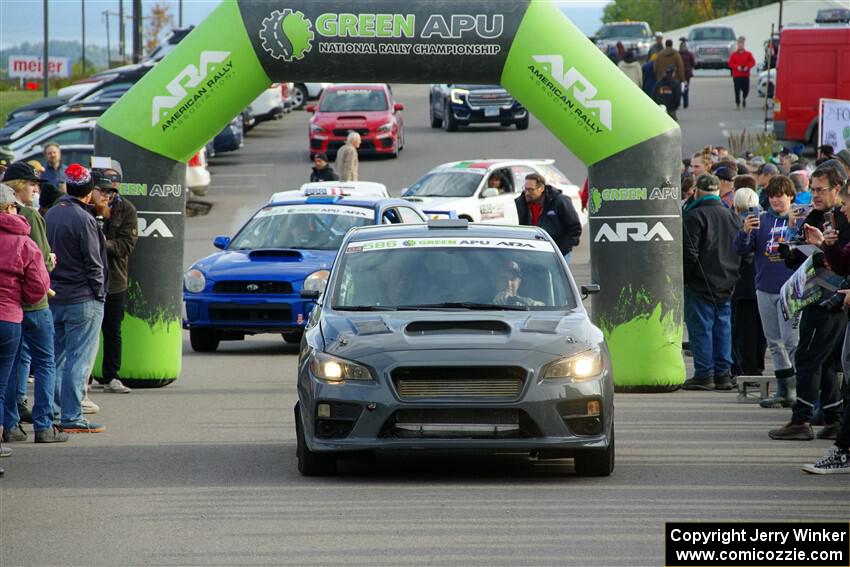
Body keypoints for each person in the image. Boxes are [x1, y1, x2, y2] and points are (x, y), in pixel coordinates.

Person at [769, 165, 850, 440]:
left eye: (820, 190)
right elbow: (803, 258)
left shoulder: (844, 218)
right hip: (813, 295)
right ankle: (833, 418)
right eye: (812, 189)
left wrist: (821, 249)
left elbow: (840, 261)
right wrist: (792, 252)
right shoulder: (813, 215)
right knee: (824, 360)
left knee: (807, 358)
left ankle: (801, 420)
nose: (814, 195)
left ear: (837, 189)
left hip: (832, 299)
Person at [1, 163, 67, 444]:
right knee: (45, 363)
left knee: (13, 366)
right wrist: (49, 262)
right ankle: (44, 424)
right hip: (34, 303)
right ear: (16, 188)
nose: (36, 189)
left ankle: (12, 425)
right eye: (31, 184)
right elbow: (38, 264)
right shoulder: (29, 219)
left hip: (10, 307)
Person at [45, 164, 107, 434]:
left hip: (56, 296)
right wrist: (100, 293)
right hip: (83, 297)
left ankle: (55, 411)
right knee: (78, 361)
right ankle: (71, 416)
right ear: (89, 191)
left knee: (55, 360)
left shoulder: (52, 215)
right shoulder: (85, 219)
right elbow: (94, 263)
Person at [735, 177, 800, 408]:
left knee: (792, 341)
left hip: (791, 290)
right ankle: (785, 391)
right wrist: (744, 232)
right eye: (771, 196)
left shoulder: (799, 218)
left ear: (790, 196)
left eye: (779, 195)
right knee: (774, 342)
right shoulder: (762, 220)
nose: (775, 200)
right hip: (764, 288)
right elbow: (741, 249)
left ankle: (801, 391)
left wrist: (795, 227)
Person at [0, 183, 52, 474]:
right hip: (9, 317)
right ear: (10, 208)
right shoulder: (24, 242)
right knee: (3, 383)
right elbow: (38, 286)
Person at [802, 180, 850, 473]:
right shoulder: (823, 221)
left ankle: (840, 447)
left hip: (832, 304)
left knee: (814, 359)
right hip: (834, 299)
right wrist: (823, 245)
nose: (843, 209)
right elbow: (843, 265)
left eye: (846, 203)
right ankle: (840, 440)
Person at [681, 174, 742, 390]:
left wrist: (686, 279)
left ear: (697, 191)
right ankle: (723, 374)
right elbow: (740, 248)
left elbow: (690, 253)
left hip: (701, 282)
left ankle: (705, 374)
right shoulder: (732, 215)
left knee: (702, 329)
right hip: (727, 280)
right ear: (718, 192)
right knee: (723, 327)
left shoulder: (694, 216)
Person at [92, 164, 136, 394]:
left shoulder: (127, 209)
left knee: (112, 329)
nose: (109, 193)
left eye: (113, 187)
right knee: (86, 331)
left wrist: (98, 243)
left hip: (115, 280)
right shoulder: (87, 207)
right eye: (105, 188)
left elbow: (125, 246)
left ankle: (111, 375)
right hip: (89, 280)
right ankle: (85, 377)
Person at [729, 188, 767, 379]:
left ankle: (744, 369)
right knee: (761, 331)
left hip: (742, 283)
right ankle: (757, 367)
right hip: (762, 281)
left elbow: (737, 251)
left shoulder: (737, 222)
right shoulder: (765, 220)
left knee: (743, 331)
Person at [515, 173, 581, 263]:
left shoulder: (560, 201)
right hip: (532, 253)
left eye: (531, 190)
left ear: (541, 188)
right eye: (525, 189)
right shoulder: (521, 202)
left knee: (556, 277)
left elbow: (575, 229)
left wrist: (559, 250)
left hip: (558, 254)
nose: (527, 193)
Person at [727, 36, 756, 109]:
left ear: (744, 44)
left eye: (742, 43)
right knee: (737, 89)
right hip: (737, 75)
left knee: (746, 89)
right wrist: (737, 67)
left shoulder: (748, 54)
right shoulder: (734, 54)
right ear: (737, 44)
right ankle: (737, 103)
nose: (740, 45)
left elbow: (753, 62)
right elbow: (730, 63)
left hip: (745, 75)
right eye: (739, 43)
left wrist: (747, 66)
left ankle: (744, 98)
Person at [678, 38, 695, 109]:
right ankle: (686, 103)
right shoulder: (689, 54)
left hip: (679, 74)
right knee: (686, 88)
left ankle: (678, 102)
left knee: (678, 88)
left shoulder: (678, 54)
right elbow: (693, 63)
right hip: (687, 74)